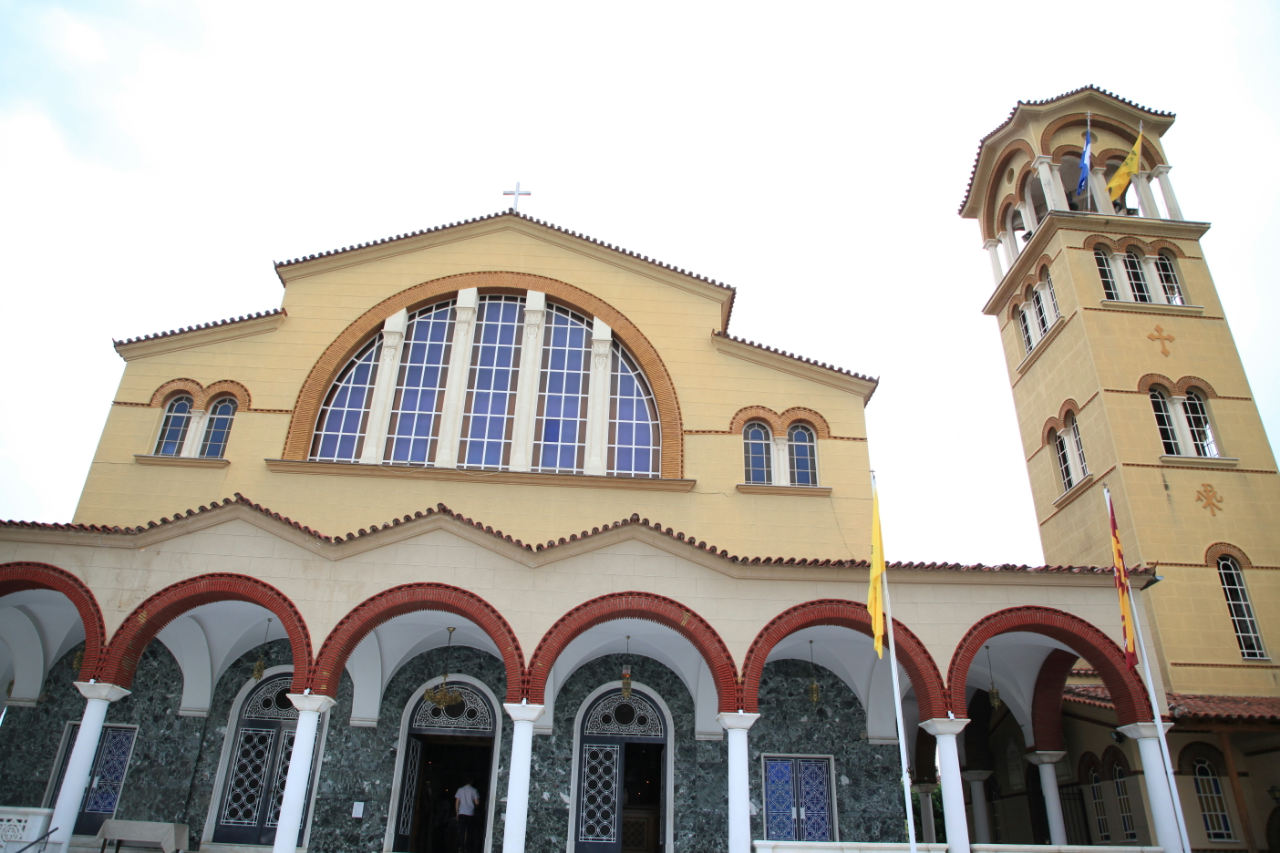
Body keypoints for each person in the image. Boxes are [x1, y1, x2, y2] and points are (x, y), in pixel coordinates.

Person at [454, 777, 481, 851]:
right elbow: (477, 803)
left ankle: (461, 847)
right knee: (469, 831)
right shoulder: (474, 790)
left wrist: (457, 813)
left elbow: (457, 802)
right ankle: (467, 847)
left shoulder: (460, 790)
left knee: (461, 831)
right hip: (470, 813)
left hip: (461, 813)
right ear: (472, 782)